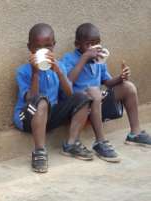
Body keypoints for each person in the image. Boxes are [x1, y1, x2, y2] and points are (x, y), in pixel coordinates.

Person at [60, 23, 151, 162]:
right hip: (80, 109)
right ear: (77, 44)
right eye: (89, 44)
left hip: (98, 105)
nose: (94, 48)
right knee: (93, 91)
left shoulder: (99, 61)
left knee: (128, 87)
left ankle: (135, 133)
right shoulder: (68, 59)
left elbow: (107, 82)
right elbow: (68, 82)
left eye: (97, 44)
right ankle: (100, 142)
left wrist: (121, 78)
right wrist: (84, 58)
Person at [13, 23, 93, 173]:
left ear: (54, 46)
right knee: (42, 100)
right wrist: (35, 73)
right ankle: (39, 151)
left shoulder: (59, 66)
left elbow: (70, 95)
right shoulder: (23, 71)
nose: (44, 51)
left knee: (82, 97)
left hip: (50, 117)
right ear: (30, 48)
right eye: (38, 48)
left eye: (48, 47)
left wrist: (59, 73)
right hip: (28, 117)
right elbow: (31, 99)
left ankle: (71, 144)